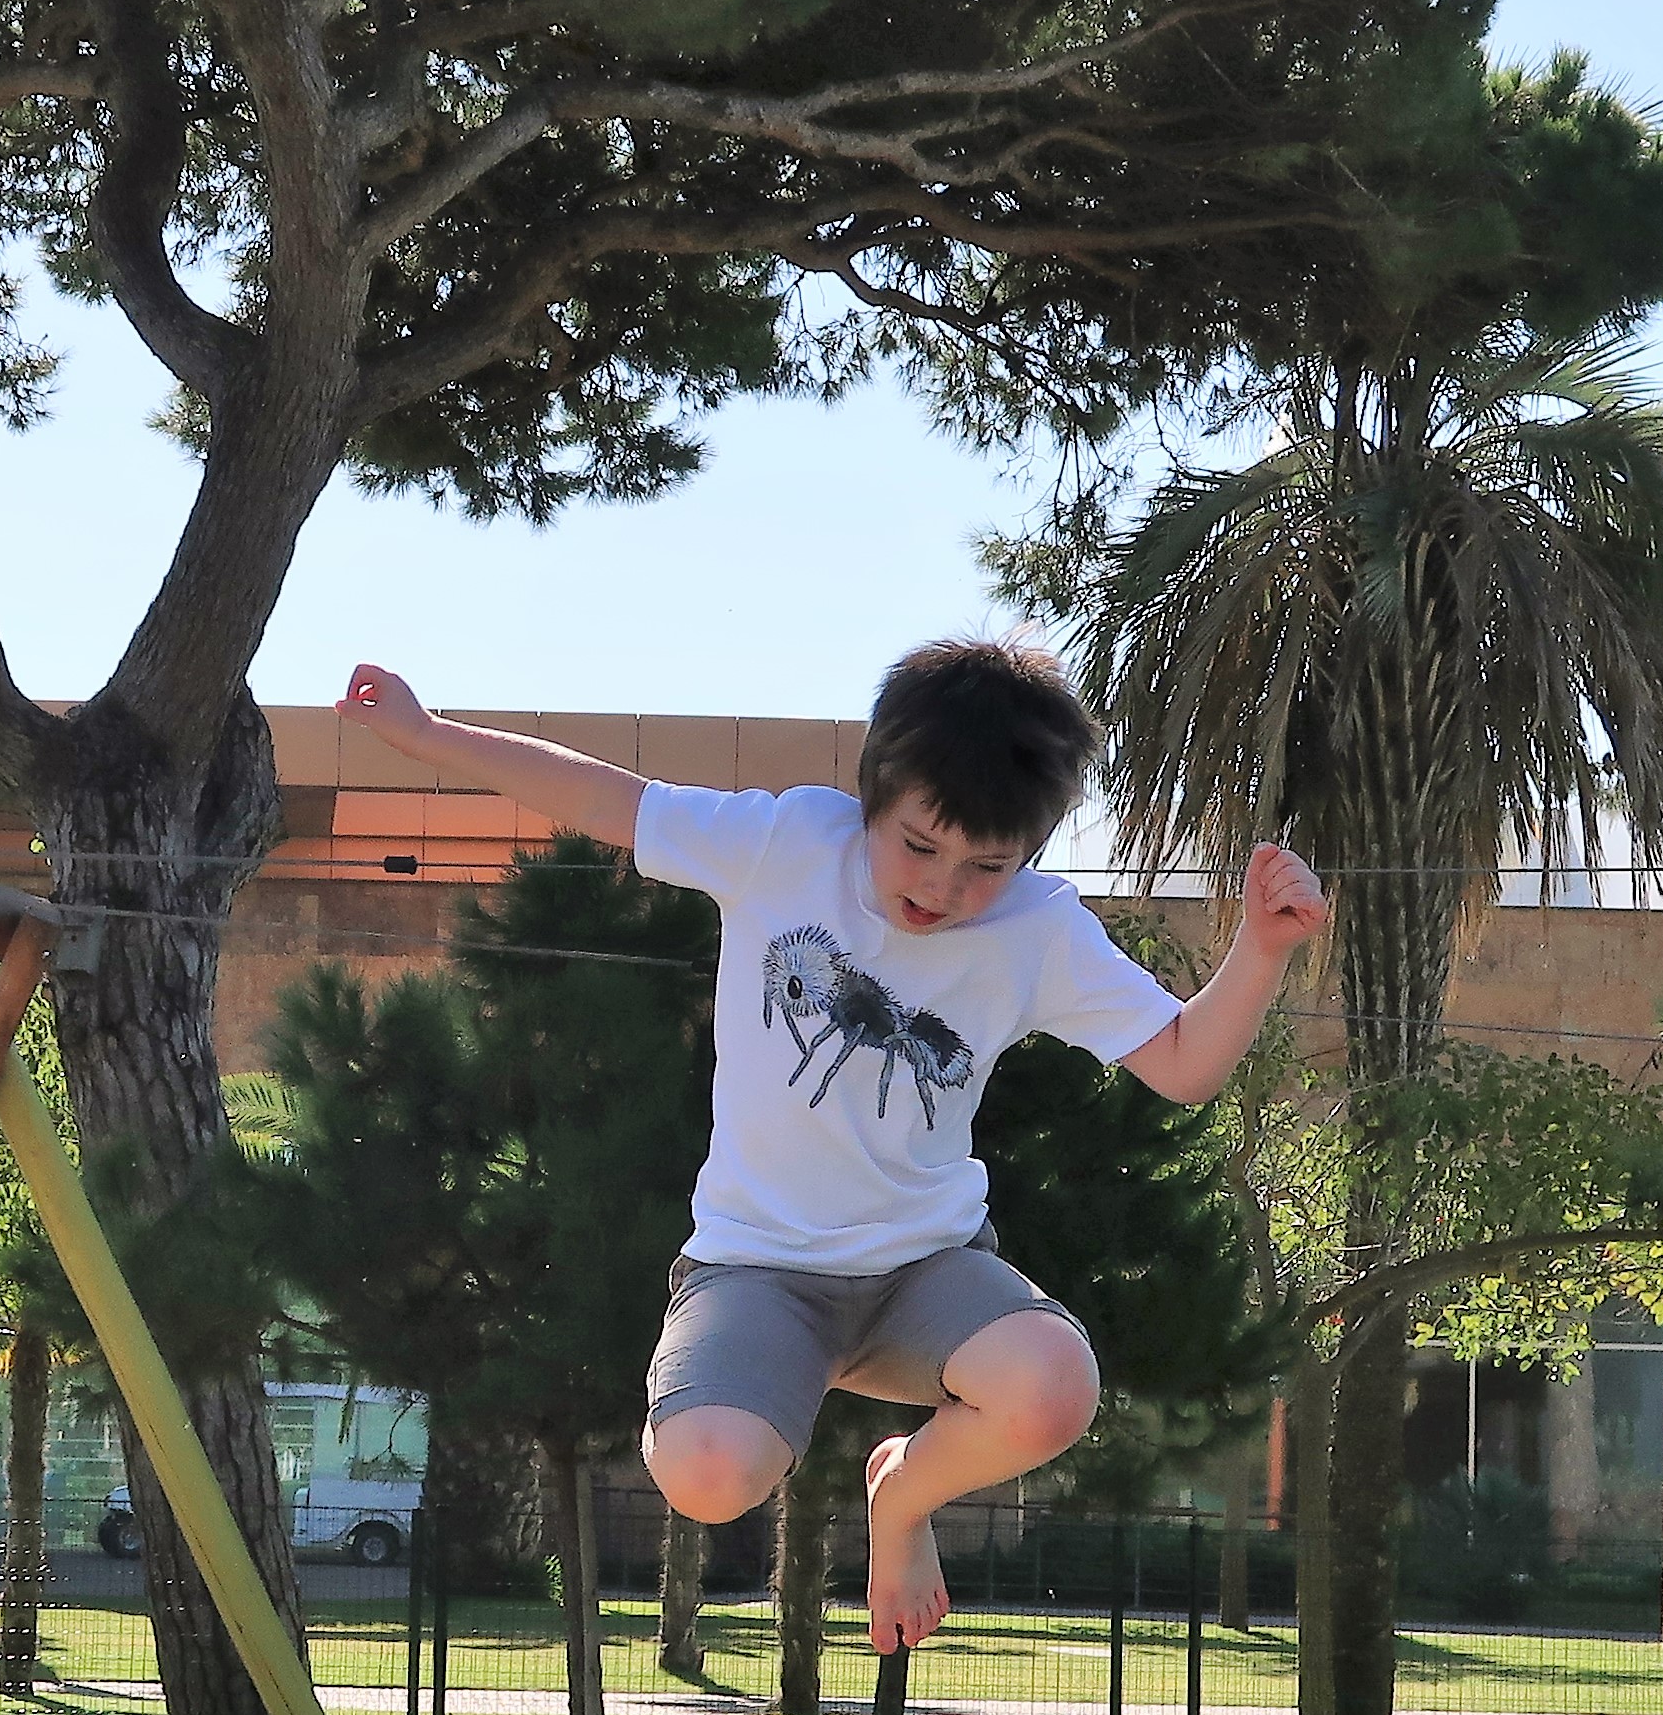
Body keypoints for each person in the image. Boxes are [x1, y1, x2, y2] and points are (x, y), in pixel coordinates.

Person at [339, 639, 1330, 1652]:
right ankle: (738, 1384)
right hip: (758, 1268)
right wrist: (427, 736)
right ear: (872, 798)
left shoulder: (1039, 929)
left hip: (923, 1270)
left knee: (1054, 1389)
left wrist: (1260, 950)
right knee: (708, 1479)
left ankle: (902, 1496)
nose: (943, 887)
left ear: (1028, 854)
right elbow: (609, 799)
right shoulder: (785, 845)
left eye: (987, 867)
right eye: (920, 846)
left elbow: (1183, 1062)